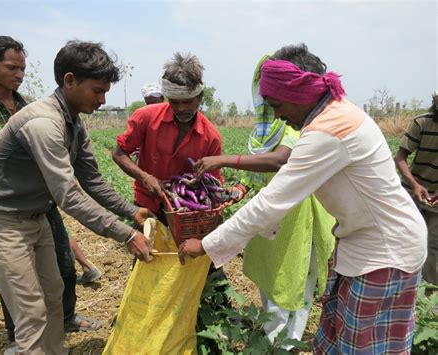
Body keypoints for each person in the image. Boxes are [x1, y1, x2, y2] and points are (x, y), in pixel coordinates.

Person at [179, 43, 427, 354]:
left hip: (384, 253)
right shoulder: (334, 115)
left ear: (297, 94)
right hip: (364, 245)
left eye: (277, 104)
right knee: (334, 342)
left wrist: (205, 245)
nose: (278, 116)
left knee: (361, 347)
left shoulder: (329, 130)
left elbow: (272, 200)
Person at [0, 40, 152, 355]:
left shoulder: (74, 121)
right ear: (70, 81)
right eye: (97, 90)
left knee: (54, 294)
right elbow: (68, 195)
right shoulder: (44, 124)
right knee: (30, 313)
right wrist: (126, 234)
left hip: (36, 215)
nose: (103, 98)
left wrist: (131, 211)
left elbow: (91, 178)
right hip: (4, 221)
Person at [0, 36, 101, 352]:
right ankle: (23, 340)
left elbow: (77, 174)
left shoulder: (28, 105)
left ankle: (55, 333)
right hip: (6, 210)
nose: (19, 74)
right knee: (23, 293)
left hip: (42, 202)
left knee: (59, 277)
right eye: (12, 67)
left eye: (23, 68)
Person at [193, 54, 335, 345]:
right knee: (272, 274)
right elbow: (258, 169)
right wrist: (241, 189)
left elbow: (278, 160)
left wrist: (224, 160)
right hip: (271, 211)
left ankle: (286, 342)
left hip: (296, 212)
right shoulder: (268, 127)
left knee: (293, 276)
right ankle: (274, 333)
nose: (264, 96)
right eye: (260, 86)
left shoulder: (295, 122)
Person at [112, 52, 222, 218]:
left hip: (184, 211)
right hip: (146, 202)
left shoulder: (211, 137)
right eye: (175, 102)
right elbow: (119, 154)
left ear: (199, 98)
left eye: (187, 101)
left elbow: (211, 183)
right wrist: (145, 177)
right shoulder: (145, 117)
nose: (181, 108)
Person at [395, 92, 438, 287]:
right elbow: (400, 157)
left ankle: (429, 296)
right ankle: (400, 288)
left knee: (433, 246)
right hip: (413, 192)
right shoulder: (422, 123)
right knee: (405, 239)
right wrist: (414, 185)